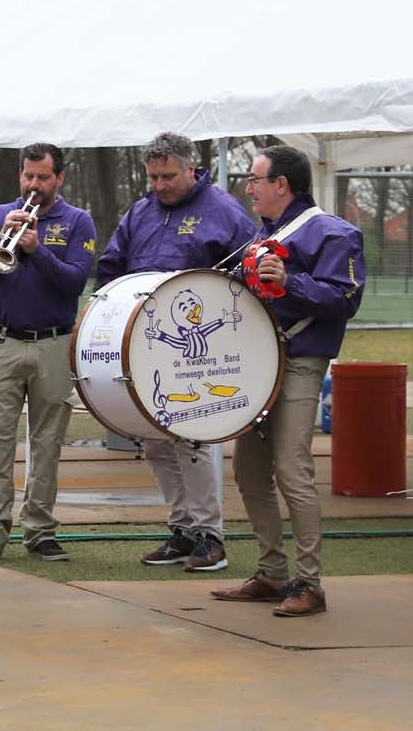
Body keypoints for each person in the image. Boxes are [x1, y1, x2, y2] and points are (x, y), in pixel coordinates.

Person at [211, 146, 366, 616]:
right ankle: (273, 573)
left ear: (282, 184)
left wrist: (291, 281)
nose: (248, 188)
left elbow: (345, 300)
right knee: (249, 470)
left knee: (292, 468)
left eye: (255, 179)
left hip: (299, 361)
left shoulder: (334, 232)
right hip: (259, 363)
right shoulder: (261, 235)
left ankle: (310, 583)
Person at [94, 131, 257, 573]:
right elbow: (111, 267)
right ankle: (183, 530)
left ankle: (210, 535)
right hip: (145, 342)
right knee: (154, 436)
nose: (160, 185)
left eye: (168, 176)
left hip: (199, 347)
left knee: (193, 434)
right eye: (153, 177)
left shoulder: (223, 211)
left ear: (190, 168)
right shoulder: (140, 211)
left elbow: (249, 271)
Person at [0, 143, 97, 562]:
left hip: (54, 342)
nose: (34, 184)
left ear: (60, 178)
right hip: (3, 342)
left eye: (43, 177)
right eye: (28, 176)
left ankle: (40, 529)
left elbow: (73, 282)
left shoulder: (77, 221)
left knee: (47, 442)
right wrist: (2, 237)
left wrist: (37, 250)